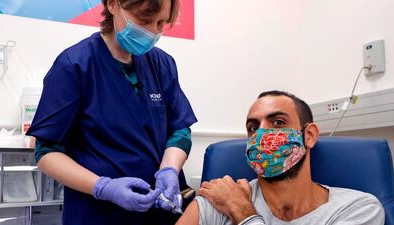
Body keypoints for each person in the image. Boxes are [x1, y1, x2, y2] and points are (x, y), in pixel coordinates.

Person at [26, 0, 197, 224]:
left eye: (162, 23)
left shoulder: (162, 64)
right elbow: (47, 153)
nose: (154, 31)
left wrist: (169, 169)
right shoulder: (75, 65)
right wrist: (104, 187)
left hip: (158, 212)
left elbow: (179, 129)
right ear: (113, 4)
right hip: (96, 214)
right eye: (145, 20)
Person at [176, 90, 385, 225]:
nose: (261, 135)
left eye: (277, 122)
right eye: (253, 127)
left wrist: (243, 213)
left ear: (309, 135)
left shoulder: (358, 209)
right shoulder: (218, 200)